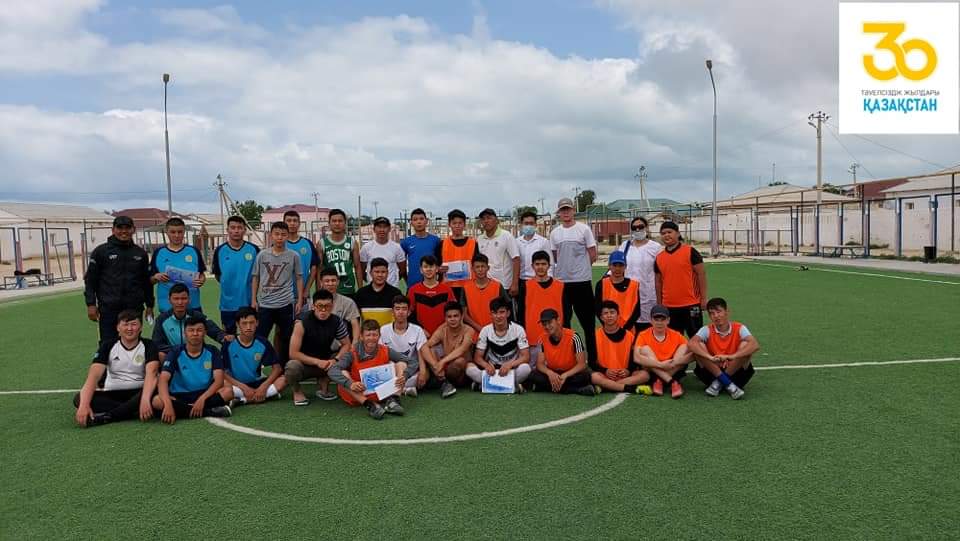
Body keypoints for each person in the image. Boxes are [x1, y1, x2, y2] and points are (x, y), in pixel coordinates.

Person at [73, 309, 160, 427]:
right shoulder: (108, 345)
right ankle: (131, 411)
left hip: (139, 392)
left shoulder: (149, 345)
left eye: (134, 324)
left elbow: (152, 373)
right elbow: (94, 376)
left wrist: (145, 399)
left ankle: (108, 417)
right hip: (113, 393)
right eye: (125, 324)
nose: (130, 328)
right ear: (118, 328)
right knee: (79, 398)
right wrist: (84, 405)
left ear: (140, 328)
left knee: (155, 389)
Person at [84, 215, 154, 348]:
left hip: (134, 308)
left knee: (133, 344)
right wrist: (91, 304)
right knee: (108, 346)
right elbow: (90, 280)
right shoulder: (101, 252)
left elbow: (146, 282)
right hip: (109, 309)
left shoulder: (140, 254)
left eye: (127, 228)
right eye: (120, 228)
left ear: (133, 230)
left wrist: (150, 305)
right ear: (113, 230)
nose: (124, 231)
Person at [152, 314, 234, 422]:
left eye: (199, 330)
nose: (195, 334)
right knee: (157, 401)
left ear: (205, 332)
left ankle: (184, 411)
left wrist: (202, 399)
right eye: (191, 330)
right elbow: (163, 380)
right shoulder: (175, 352)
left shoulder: (212, 351)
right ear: (185, 333)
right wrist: (168, 404)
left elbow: (218, 381)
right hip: (180, 396)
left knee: (228, 392)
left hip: (205, 394)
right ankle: (209, 412)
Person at [328, 320, 412, 420]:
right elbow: (332, 370)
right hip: (358, 393)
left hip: (380, 393)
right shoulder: (352, 353)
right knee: (342, 372)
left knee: (401, 364)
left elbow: (412, 362)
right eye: (368, 335)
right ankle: (370, 406)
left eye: (375, 335)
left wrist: (405, 375)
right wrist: (350, 384)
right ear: (361, 336)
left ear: (379, 336)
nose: (371, 338)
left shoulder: (386, 350)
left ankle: (394, 401)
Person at [550, 197, 598, 363]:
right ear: (559, 213)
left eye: (568, 209)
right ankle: (569, 358)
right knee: (564, 324)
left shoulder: (584, 229)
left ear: (573, 211)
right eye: (562, 210)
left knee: (588, 324)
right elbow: (555, 256)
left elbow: (593, 254)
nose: (566, 213)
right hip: (562, 284)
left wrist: (580, 269)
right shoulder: (555, 233)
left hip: (582, 283)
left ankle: (593, 360)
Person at [251, 221, 304, 367]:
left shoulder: (293, 256)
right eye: (277, 234)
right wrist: (254, 300)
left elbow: (299, 278)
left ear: (287, 236)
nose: (280, 237)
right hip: (265, 304)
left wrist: (299, 300)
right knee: (260, 337)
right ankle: (257, 366)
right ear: (271, 235)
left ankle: (285, 367)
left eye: (283, 234)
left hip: (285, 303)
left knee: (286, 337)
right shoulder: (262, 255)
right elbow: (255, 277)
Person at [286, 289, 351, 406]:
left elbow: (346, 344)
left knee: (347, 357)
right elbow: (293, 353)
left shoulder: (336, 321)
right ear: (313, 306)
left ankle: (324, 384)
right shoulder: (301, 322)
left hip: (326, 361)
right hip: (305, 363)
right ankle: (297, 391)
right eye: (320, 306)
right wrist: (317, 362)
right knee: (292, 366)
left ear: (332, 306)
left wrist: (335, 360)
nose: (323, 310)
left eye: (327, 306)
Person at [687, 297, 758, 400]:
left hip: (736, 374)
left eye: (719, 312)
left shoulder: (739, 327)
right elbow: (691, 344)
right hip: (712, 373)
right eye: (712, 313)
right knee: (699, 346)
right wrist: (710, 358)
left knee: (746, 345)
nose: (716, 316)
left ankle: (720, 382)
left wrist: (731, 357)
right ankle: (729, 384)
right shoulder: (706, 329)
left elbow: (755, 345)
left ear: (727, 311)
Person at [222, 306, 286, 406]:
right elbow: (222, 372)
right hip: (236, 385)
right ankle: (266, 395)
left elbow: (277, 369)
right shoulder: (229, 343)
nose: (248, 327)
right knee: (222, 384)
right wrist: (243, 387)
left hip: (257, 383)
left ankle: (243, 400)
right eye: (244, 323)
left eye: (251, 323)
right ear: (237, 324)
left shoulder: (263, 343)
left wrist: (264, 386)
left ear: (257, 323)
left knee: (283, 380)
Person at [655, 221, 708, 337]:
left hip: (691, 304)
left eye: (669, 232)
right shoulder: (659, 258)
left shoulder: (690, 251)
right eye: (663, 233)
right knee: (674, 339)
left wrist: (703, 298)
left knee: (696, 338)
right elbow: (658, 283)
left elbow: (701, 274)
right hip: (669, 306)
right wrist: (660, 303)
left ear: (678, 234)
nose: (666, 235)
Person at [467, 298, 531, 392]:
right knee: (469, 368)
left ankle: (485, 385)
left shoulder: (518, 329)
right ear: (490, 314)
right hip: (492, 370)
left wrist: (510, 365)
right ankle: (512, 385)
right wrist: (486, 365)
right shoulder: (485, 330)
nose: (498, 316)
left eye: (502, 312)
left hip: (511, 370)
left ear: (508, 313)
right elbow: (477, 357)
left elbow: (526, 357)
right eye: (495, 313)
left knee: (526, 368)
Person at [152, 283, 228, 361]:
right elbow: (157, 343)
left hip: (196, 353)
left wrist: (223, 337)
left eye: (184, 298)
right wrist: (179, 350)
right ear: (169, 300)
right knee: (161, 354)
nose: (180, 302)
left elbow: (214, 331)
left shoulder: (197, 316)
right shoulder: (162, 319)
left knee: (217, 351)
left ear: (189, 299)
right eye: (176, 299)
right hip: (174, 355)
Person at [527, 309, 595, 395]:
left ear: (558, 321)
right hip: (553, 372)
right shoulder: (542, 339)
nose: (547, 326)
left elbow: (582, 364)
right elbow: (540, 364)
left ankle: (545, 388)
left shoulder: (574, 337)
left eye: (550, 322)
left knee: (585, 376)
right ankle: (577, 390)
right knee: (533, 376)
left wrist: (565, 375)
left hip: (571, 372)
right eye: (544, 324)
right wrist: (550, 373)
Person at [591, 301, 652, 394]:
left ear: (618, 315)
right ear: (601, 317)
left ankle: (607, 386)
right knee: (594, 376)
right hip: (605, 375)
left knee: (645, 375)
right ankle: (629, 388)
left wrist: (628, 370)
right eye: (605, 313)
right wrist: (605, 371)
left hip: (625, 375)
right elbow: (591, 361)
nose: (609, 315)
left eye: (612, 312)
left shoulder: (630, 336)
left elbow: (634, 359)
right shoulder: (595, 336)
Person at [211, 215, 259, 334]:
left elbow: (258, 276)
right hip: (227, 304)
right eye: (233, 228)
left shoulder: (254, 249)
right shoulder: (220, 250)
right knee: (228, 336)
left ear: (245, 230)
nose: (236, 231)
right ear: (227, 230)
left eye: (239, 227)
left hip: (248, 303)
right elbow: (218, 275)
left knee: (250, 335)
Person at [633, 304, 692, 399]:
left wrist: (674, 362)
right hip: (653, 369)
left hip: (672, 368)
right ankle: (672, 382)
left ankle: (660, 381)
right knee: (644, 349)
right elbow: (636, 358)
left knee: (684, 346)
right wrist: (660, 365)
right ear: (651, 320)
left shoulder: (676, 334)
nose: (659, 323)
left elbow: (692, 353)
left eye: (662, 319)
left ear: (668, 320)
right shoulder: (643, 335)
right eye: (656, 319)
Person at [416, 301, 473, 398]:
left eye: (456, 316)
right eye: (449, 317)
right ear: (445, 318)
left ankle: (439, 381)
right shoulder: (442, 328)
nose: (452, 319)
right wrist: (433, 366)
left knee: (459, 361)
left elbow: (462, 350)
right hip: (443, 369)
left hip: (461, 374)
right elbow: (424, 346)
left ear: (462, 316)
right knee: (431, 350)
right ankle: (443, 382)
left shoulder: (469, 330)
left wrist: (442, 362)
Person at [150, 217, 206, 313]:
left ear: (184, 232)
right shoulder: (159, 252)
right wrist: (156, 277)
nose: (176, 235)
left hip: (192, 305)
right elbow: (150, 279)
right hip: (167, 307)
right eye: (173, 232)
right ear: (167, 232)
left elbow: (201, 275)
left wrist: (201, 281)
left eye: (180, 232)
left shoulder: (193, 251)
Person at [378, 296, 431, 395]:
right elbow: (380, 354)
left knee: (426, 374)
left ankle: (396, 388)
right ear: (392, 312)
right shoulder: (383, 330)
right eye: (397, 309)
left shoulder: (417, 330)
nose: (401, 312)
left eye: (404, 309)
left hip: (411, 371)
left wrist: (423, 371)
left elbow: (421, 352)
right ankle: (405, 389)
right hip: (392, 369)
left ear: (409, 312)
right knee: (395, 365)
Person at [520, 250, 564, 366]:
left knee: (557, 367)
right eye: (537, 264)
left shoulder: (560, 286)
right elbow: (521, 312)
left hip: (556, 336)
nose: (540, 267)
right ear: (532, 266)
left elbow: (566, 312)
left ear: (549, 266)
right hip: (532, 337)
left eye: (543, 264)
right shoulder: (525, 286)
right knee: (531, 369)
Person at [618, 216, 662, 331]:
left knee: (648, 326)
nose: (637, 230)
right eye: (634, 227)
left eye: (640, 226)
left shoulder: (655, 247)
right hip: (628, 293)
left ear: (646, 227)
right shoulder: (624, 246)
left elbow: (660, 273)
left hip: (648, 294)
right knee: (629, 325)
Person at [301, 267, 361, 344]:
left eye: (333, 281)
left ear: (338, 282)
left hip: (340, 346)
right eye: (327, 281)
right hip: (316, 345)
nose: (330, 284)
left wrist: (354, 343)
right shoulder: (312, 302)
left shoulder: (348, 302)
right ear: (321, 282)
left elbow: (355, 324)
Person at [594, 251, 643, 335]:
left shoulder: (634, 285)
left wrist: (624, 329)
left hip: (628, 331)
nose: (617, 269)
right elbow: (598, 309)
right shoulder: (601, 284)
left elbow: (637, 311)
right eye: (614, 265)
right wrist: (610, 326)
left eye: (620, 265)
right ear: (609, 266)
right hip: (608, 329)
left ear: (625, 266)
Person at [476, 208, 520, 300]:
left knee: (504, 309)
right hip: (487, 284)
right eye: (483, 219)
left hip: (504, 285)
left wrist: (515, 283)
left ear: (496, 220)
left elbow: (516, 259)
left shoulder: (506, 236)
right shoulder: (480, 239)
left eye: (489, 218)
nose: (486, 221)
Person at [406, 255, 455, 335]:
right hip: (420, 335)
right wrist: (421, 329)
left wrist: (441, 330)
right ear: (421, 270)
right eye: (425, 267)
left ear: (437, 269)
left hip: (443, 334)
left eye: (431, 266)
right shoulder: (413, 290)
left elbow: (453, 312)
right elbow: (408, 313)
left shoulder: (447, 289)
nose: (428, 269)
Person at [462, 253, 509, 336]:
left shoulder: (497, 286)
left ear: (488, 268)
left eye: (483, 266)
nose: (480, 269)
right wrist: (480, 329)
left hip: (496, 332)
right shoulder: (466, 287)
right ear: (472, 269)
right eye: (477, 267)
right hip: (473, 333)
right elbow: (464, 315)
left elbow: (507, 310)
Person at [439, 209, 480, 302]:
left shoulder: (473, 243)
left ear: (464, 224)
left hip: (468, 287)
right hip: (448, 287)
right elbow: (436, 265)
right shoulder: (442, 243)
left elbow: (477, 264)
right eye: (454, 223)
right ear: (449, 224)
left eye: (460, 223)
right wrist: (439, 269)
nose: (457, 226)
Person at [320, 208, 363, 296]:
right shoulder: (322, 243)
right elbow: (319, 269)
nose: (337, 223)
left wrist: (360, 290)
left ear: (345, 223)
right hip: (329, 290)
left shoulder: (352, 242)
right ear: (329, 223)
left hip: (348, 289)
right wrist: (319, 290)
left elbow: (357, 267)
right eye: (334, 221)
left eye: (340, 221)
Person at [284, 210, 321, 304]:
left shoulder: (307, 243)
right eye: (289, 220)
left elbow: (313, 268)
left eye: (295, 220)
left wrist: (307, 289)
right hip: (282, 296)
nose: (292, 223)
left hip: (303, 294)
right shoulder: (279, 244)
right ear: (284, 223)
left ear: (299, 223)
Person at [400, 208, 442, 288]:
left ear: (426, 221)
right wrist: (407, 280)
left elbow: (440, 264)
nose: (419, 222)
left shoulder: (436, 240)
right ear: (411, 223)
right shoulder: (406, 242)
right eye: (415, 219)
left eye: (421, 219)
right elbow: (402, 266)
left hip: (432, 285)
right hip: (413, 285)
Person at [360, 217, 406, 288]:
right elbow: (362, 270)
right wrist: (371, 281)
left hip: (392, 289)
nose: (382, 230)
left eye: (385, 227)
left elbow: (402, 270)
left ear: (389, 229)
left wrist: (393, 281)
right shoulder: (366, 248)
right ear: (374, 229)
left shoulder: (397, 247)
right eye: (379, 227)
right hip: (372, 290)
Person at [516, 210, 553, 281]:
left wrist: (548, 280)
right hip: (521, 280)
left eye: (531, 223)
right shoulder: (516, 242)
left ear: (535, 225)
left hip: (538, 280)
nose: (528, 226)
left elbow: (550, 262)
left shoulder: (543, 242)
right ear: (521, 225)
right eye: (526, 223)